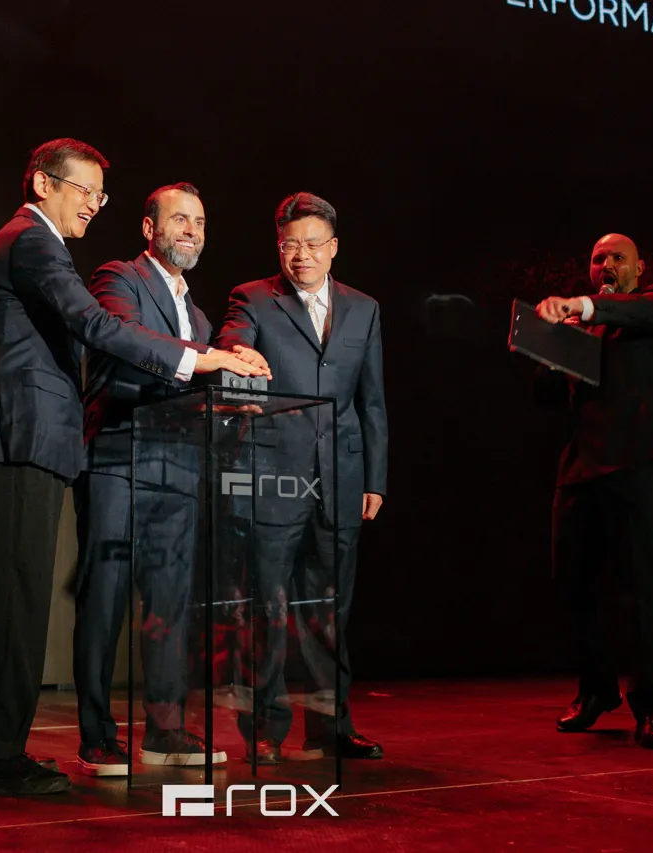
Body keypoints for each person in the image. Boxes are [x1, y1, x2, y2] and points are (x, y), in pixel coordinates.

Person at [0, 140, 267, 797]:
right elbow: (97, 324)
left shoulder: (40, 243)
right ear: (44, 183)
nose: (95, 205)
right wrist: (206, 359)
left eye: (101, 194)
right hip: (21, 434)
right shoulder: (33, 240)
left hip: (41, 440)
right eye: (85, 190)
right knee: (9, 602)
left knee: (20, 600)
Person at [73, 182, 271, 775]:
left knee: (169, 606)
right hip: (119, 458)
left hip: (179, 467)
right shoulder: (118, 278)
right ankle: (96, 736)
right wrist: (212, 360)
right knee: (105, 599)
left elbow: (193, 383)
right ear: (149, 228)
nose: (191, 230)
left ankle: (164, 732)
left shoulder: (201, 316)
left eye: (200, 222)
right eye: (180, 219)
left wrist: (235, 393)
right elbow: (129, 343)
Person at [215, 191, 387, 763]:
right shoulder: (253, 298)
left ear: (333, 248)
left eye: (313, 245)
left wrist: (375, 478)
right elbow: (232, 343)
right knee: (267, 607)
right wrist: (237, 356)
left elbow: (371, 402)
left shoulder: (364, 308)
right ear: (279, 246)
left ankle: (331, 727)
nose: (302, 256)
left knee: (330, 609)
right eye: (291, 245)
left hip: (342, 478)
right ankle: (265, 730)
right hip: (272, 475)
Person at [533, 232, 653, 750]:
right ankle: (597, 690)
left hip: (643, 460)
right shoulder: (584, 326)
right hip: (585, 465)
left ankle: (649, 708)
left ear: (638, 268)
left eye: (618, 258)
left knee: (643, 586)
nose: (607, 264)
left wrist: (580, 306)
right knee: (574, 582)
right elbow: (545, 394)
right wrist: (547, 346)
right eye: (598, 258)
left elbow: (640, 313)